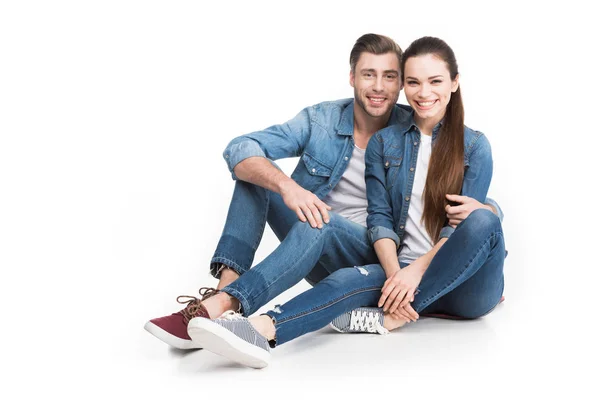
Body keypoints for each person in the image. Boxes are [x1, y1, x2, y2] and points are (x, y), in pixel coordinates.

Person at [145, 34, 503, 352]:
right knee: (257, 177)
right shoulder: (330, 123)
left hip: (409, 266)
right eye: (369, 74)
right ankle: (228, 308)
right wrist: (288, 187)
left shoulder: (444, 132)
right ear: (352, 77)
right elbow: (241, 148)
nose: (380, 87)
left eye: (391, 77)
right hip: (344, 249)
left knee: (480, 218)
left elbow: (473, 216)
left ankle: (382, 314)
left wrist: (488, 209)